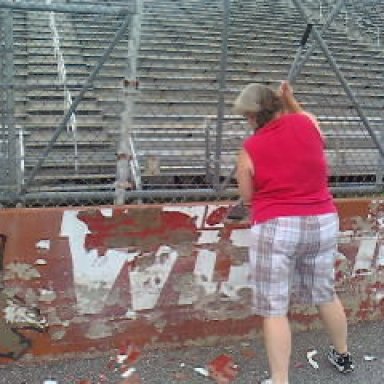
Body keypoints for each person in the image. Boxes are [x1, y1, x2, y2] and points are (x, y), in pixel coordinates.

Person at [234, 81, 354, 384]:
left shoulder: (250, 148)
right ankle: (342, 354)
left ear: (252, 116)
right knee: (324, 292)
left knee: (274, 308)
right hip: (322, 222)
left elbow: (247, 196)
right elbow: (312, 126)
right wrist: (291, 99)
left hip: (277, 226)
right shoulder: (306, 122)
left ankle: (280, 380)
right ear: (279, 105)